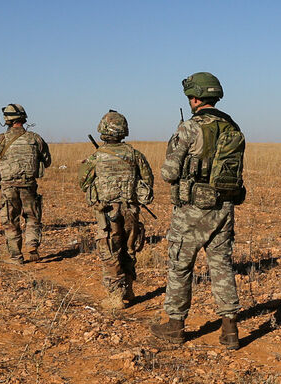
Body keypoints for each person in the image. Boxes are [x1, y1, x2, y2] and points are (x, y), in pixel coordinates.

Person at [150, 73, 246, 349]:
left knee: (180, 265)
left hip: (192, 209)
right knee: (222, 265)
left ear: (194, 98)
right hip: (224, 207)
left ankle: (175, 325)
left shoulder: (189, 128)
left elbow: (169, 173)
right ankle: (230, 330)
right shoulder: (232, 127)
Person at [79, 110, 154, 308]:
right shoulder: (135, 155)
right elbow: (148, 181)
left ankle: (115, 296)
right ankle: (128, 289)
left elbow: (84, 182)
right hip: (130, 209)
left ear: (103, 130)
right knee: (129, 248)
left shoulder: (96, 157)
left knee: (110, 251)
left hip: (106, 211)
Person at [0, 104, 51, 263]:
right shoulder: (35, 138)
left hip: (8, 186)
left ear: (7, 120)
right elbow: (47, 161)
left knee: (11, 221)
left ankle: (16, 256)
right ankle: (32, 244)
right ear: (23, 118)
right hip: (29, 185)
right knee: (32, 216)